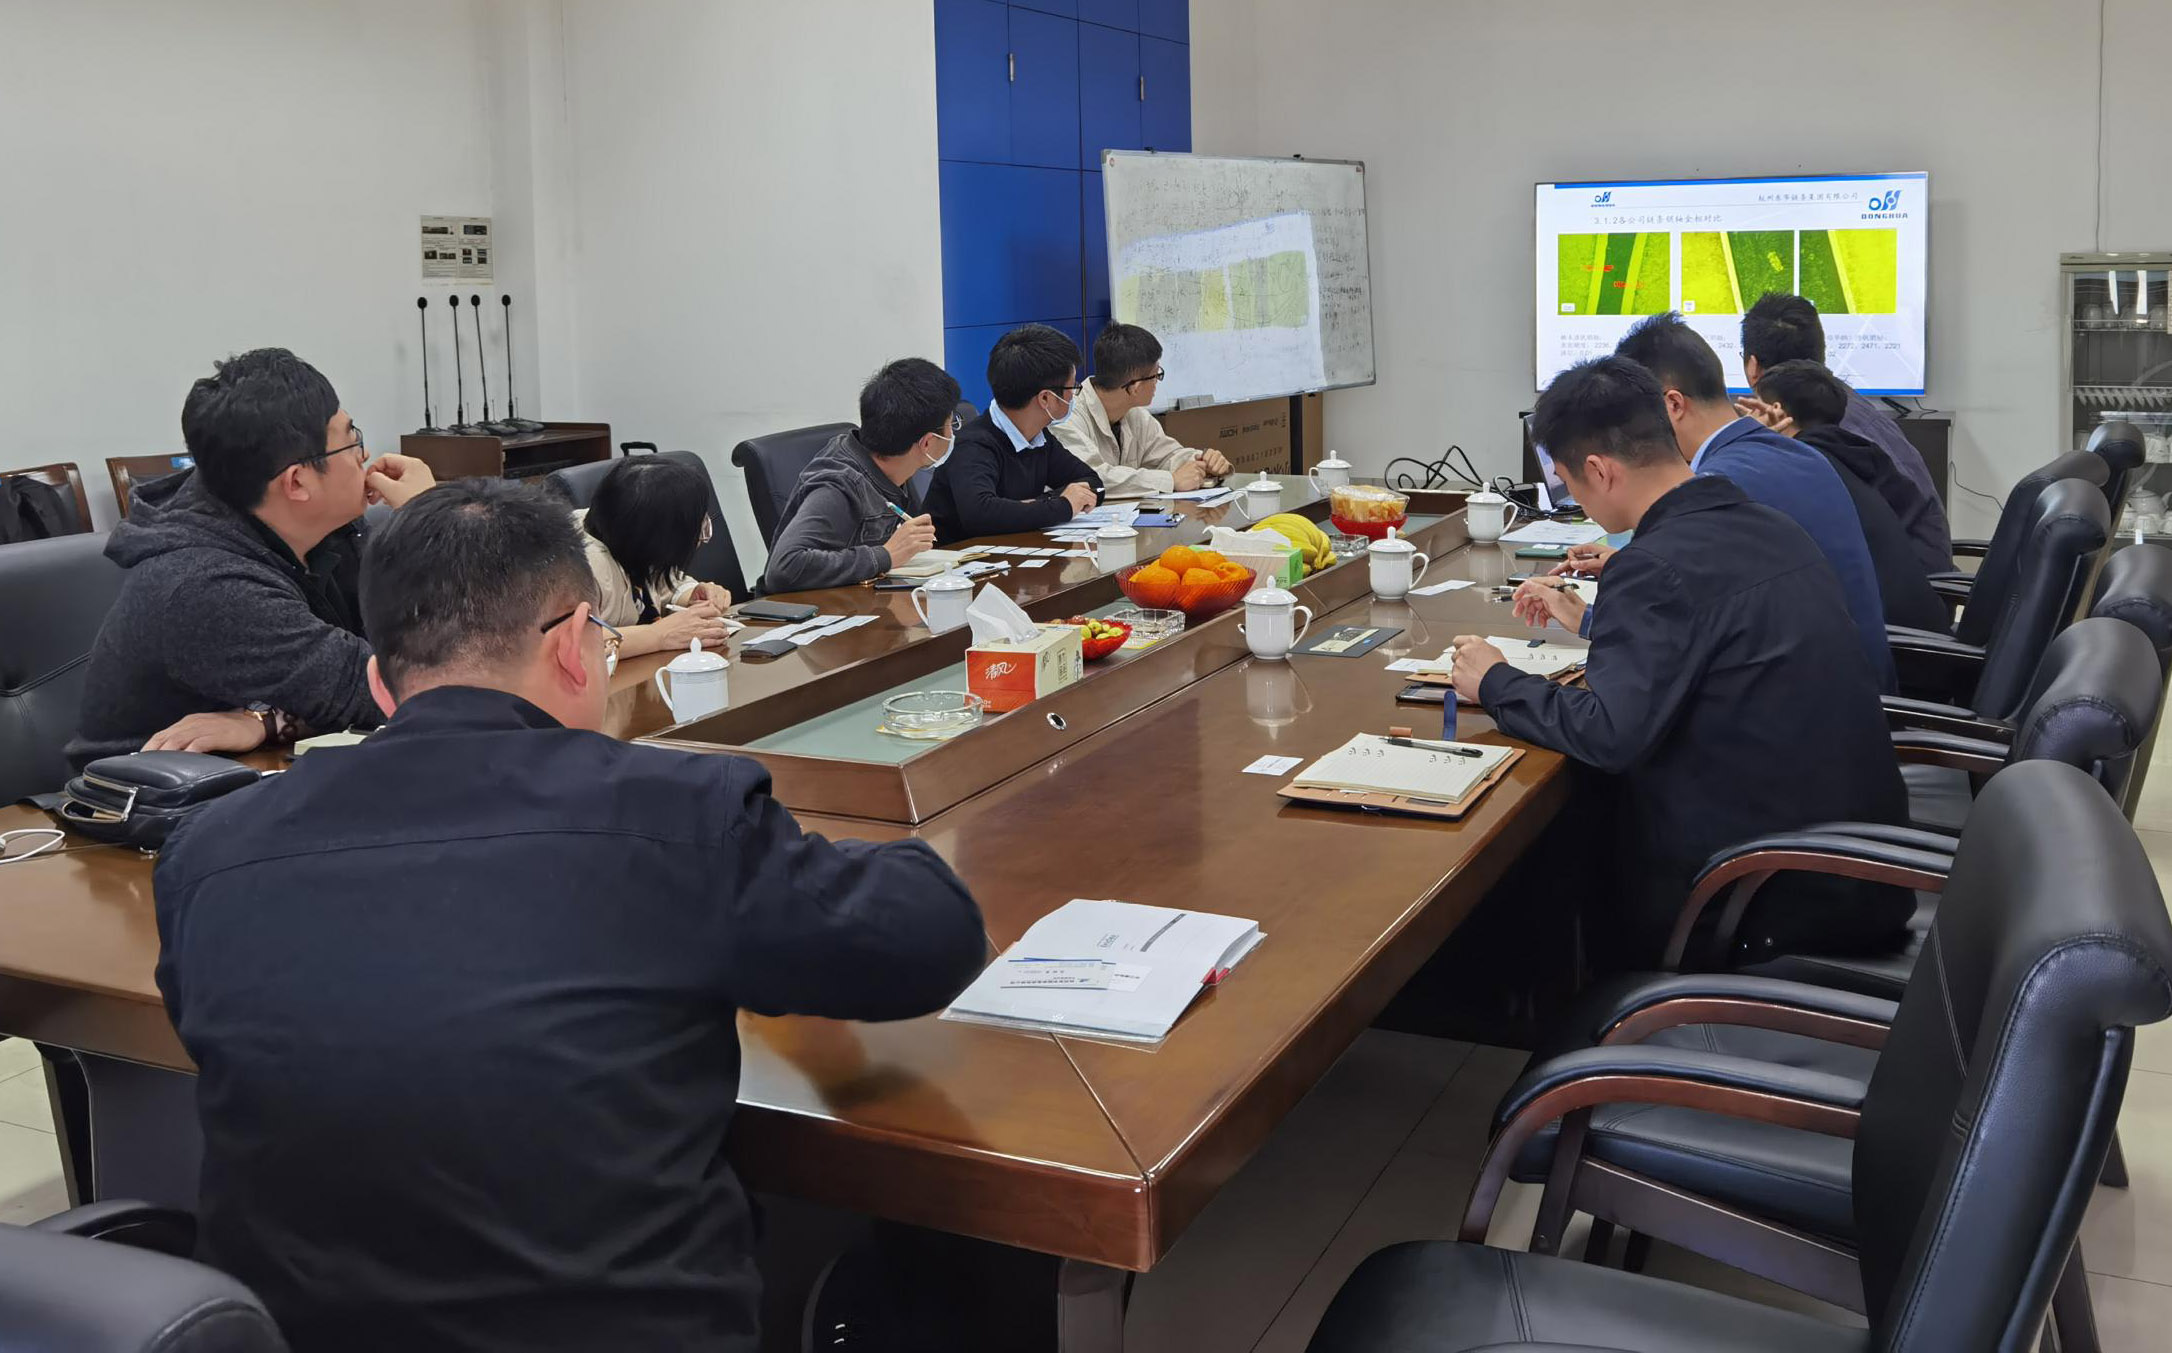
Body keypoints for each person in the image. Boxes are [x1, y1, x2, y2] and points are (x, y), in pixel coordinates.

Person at [152, 479, 988, 1353]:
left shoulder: (207, 849)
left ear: (379, 685)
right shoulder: (674, 816)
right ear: (574, 647)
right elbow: (930, 935)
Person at [1451, 357, 1910, 966]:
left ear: (1599, 470)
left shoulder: (1655, 566)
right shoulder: (1769, 524)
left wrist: (1494, 679)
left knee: (1558, 842)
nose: (1578, 501)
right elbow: (1710, 634)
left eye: (1569, 483)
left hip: (1763, 899)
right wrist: (1597, 616)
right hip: (1856, 868)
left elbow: (1609, 734)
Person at [67, 348, 439, 767]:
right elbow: (405, 688)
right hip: (147, 794)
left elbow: (406, 656)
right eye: (352, 440)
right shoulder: (206, 585)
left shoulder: (323, 530)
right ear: (297, 482)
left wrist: (268, 721)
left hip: (260, 769)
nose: (363, 456)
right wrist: (432, 523)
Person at [1614, 312, 1896, 690]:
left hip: (1806, 705)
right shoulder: (1796, 451)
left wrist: (1590, 615)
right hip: (1854, 691)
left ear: (1673, 405)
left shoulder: (1719, 486)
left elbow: (1672, 636)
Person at [1739, 291, 1951, 568]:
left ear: (1752, 366)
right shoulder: (1844, 405)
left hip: (1898, 581)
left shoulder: (1816, 435)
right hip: (1921, 573)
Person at [1749, 359, 1949, 632]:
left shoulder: (1807, 471)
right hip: (1916, 619)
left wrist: (1755, 444)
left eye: (1756, 407)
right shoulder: (1857, 454)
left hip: (1889, 638)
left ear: (1776, 412)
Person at [762, 357, 957, 591]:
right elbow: (784, 568)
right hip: (821, 608)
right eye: (951, 423)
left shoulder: (898, 467)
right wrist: (884, 556)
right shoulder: (838, 485)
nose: (953, 432)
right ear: (927, 443)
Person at [922, 324, 1103, 540]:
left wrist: (1036, 505)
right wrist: (1062, 505)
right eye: (1072, 388)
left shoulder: (1039, 437)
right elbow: (981, 514)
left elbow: (1093, 484)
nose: (1074, 396)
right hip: (957, 557)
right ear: (1046, 398)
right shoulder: (972, 445)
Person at [575, 456, 736, 657]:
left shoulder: (623, 532)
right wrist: (658, 635)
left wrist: (690, 595)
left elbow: (657, 585)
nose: (700, 540)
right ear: (660, 537)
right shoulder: (576, 566)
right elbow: (575, 644)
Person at [1050, 323, 1232, 497]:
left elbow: (1167, 456)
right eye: (1156, 375)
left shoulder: (1135, 415)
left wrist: (1203, 462)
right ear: (1134, 386)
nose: (1157, 382)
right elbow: (1093, 477)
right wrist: (1170, 481)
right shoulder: (1066, 417)